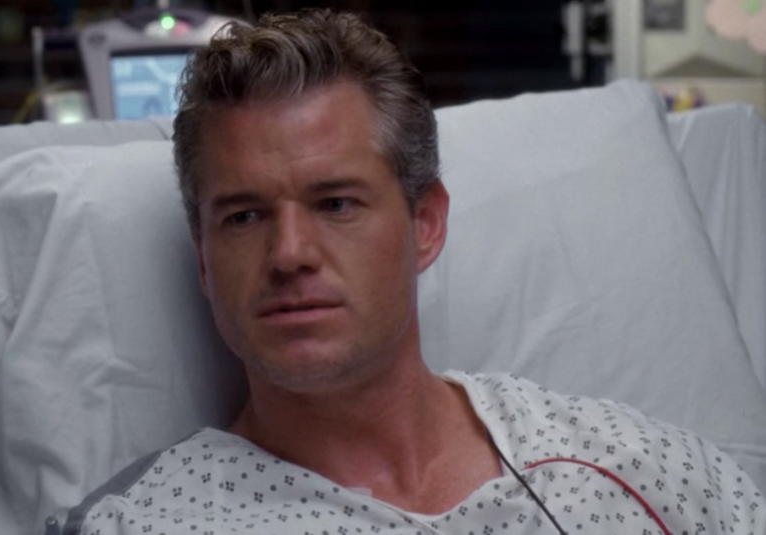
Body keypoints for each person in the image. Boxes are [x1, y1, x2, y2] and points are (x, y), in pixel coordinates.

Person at [64, 9, 764, 535]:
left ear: (424, 224)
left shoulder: (630, 469)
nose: (289, 253)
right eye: (244, 216)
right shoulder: (150, 521)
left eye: (335, 203)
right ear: (203, 258)